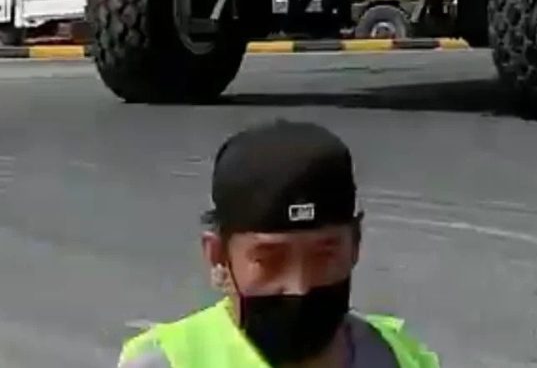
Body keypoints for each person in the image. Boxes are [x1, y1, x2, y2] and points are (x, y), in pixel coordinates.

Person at [118, 119, 440, 367]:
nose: (299, 287)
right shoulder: (168, 363)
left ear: (355, 246)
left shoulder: (397, 357)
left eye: (324, 256)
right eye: (269, 260)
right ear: (218, 256)